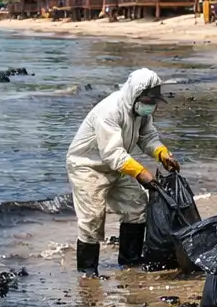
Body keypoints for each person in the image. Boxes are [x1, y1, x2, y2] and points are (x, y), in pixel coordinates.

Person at [65, 68, 180, 276]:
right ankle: (87, 273)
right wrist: (142, 174)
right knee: (92, 218)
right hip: (87, 166)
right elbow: (112, 153)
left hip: (117, 165)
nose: (150, 105)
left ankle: (130, 263)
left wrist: (162, 154)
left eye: (153, 101)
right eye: (147, 100)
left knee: (136, 206)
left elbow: (147, 138)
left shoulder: (140, 113)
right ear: (134, 94)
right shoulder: (110, 111)